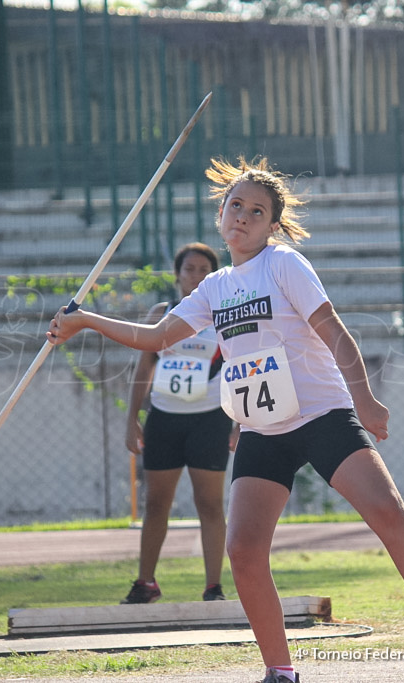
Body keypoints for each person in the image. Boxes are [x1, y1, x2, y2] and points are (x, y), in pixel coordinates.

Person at [49, 157, 404, 682]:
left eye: (257, 210)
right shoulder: (215, 287)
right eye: (235, 206)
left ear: (273, 224)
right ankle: (280, 673)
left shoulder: (284, 265)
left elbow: (335, 331)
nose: (243, 216)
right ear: (221, 213)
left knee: (387, 511)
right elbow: (156, 339)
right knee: (244, 550)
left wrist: (363, 397)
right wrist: (85, 320)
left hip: (320, 414)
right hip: (263, 429)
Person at [121, 242, 238, 605]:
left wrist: (239, 420)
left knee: (210, 504)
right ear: (177, 275)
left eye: (205, 270)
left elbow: (238, 368)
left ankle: (213, 586)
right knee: (156, 503)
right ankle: (146, 583)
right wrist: (132, 418)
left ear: (215, 276)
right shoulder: (162, 313)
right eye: (190, 269)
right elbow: (144, 368)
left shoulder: (226, 315)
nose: (196, 276)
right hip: (165, 419)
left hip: (210, 418)